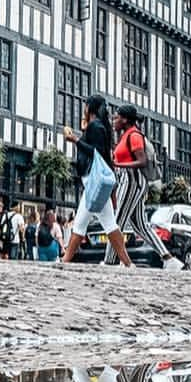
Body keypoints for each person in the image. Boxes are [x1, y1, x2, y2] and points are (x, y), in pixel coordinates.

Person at [107, 104, 183, 273]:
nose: (114, 120)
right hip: (131, 181)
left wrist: (118, 164)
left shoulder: (134, 136)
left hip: (132, 181)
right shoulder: (127, 135)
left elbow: (142, 162)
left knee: (116, 220)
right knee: (140, 225)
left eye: (116, 117)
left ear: (125, 119)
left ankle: (110, 261)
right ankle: (168, 258)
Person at [61, 95, 127, 265]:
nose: (84, 109)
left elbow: (95, 152)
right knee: (100, 222)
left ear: (90, 107)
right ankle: (127, 262)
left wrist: (75, 139)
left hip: (92, 180)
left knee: (92, 222)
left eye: (85, 106)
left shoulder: (95, 126)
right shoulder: (99, 127)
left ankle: (66, 260)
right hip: (92, 181)